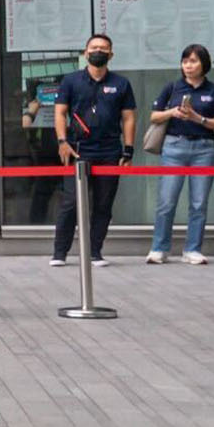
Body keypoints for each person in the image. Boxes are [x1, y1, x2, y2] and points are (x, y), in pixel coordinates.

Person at [51, 33, 137, 268]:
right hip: (78, 150)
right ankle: (59, 253)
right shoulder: (71, 80)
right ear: (86, 52)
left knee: (103, 204)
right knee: (70, 203)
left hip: (110, 151)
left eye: (103, 47)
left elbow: (129, 118)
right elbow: (60, 112)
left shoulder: (121, 83)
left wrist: (128, 150)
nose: (98, 50)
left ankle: (94, 252)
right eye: (94, 47)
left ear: (111, 54)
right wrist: (62, 141)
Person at [146, 44, 214, 264]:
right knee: (167, 200)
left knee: (199, 202)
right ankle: (159, 248)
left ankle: (192, 248)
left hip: (204, 148)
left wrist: (196, 118)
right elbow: (154, 116)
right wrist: (172, 112)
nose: (188, 66)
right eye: (185, 61)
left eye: (193, 61)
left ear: (204, 64)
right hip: (174, 146)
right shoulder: (172, 87)